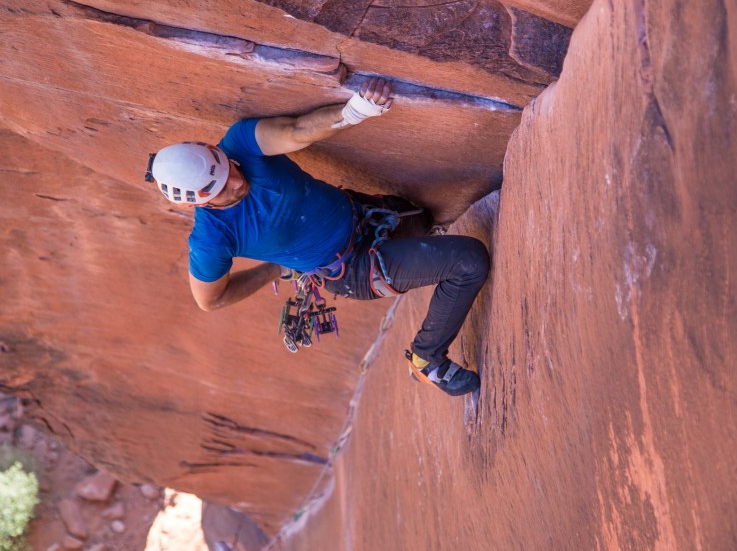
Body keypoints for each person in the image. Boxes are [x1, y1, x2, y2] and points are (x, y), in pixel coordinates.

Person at [144, 78, 489, 396]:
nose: (236, 180)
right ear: (202, 202)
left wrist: (354, 110)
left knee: (423, 219)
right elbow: (209, 300)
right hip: (354, 269)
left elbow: (297, 131)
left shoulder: (239, 144)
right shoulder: (211, 240)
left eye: (227, 167)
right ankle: (426, 358)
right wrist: (271, 270)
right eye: (220, 189)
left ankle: (419, 249)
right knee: (468, 260)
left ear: (211, 148)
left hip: (369, 214)